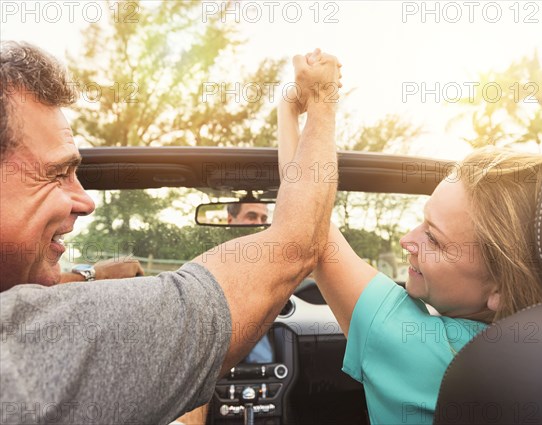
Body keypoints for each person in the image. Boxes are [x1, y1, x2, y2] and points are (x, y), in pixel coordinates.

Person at [0, 41, 341, 424]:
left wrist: (87, 275)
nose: (85, 201)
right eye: (56, 174)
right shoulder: (29, 345)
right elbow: (293, 247)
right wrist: (322, 101)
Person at [278, 51, 542, 424]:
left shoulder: (419, 346)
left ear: (501, 289)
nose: (406, 240)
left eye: (435, 239)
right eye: (421, 222)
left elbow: (307, 222)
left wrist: (314, 103)